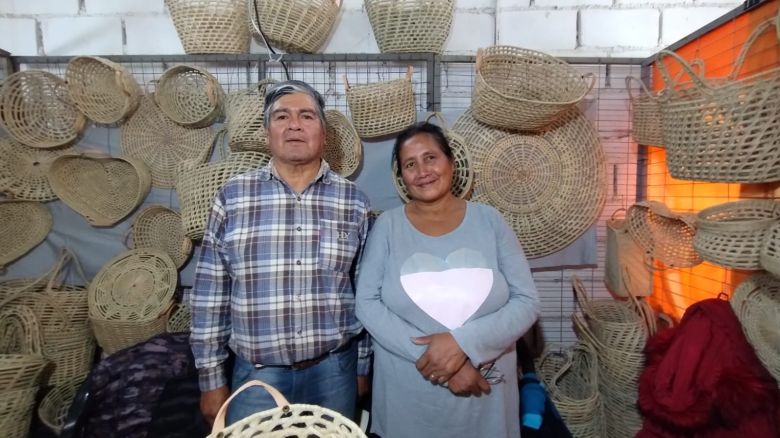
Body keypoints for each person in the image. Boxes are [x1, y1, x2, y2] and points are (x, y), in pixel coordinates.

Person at [190, 80, 372, 426]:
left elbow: (362, 292)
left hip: (334, 371)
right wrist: (211, 379)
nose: (294, 125)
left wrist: (361, 366)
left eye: (307, 116)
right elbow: (210, 295)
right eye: (281, 116)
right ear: (266, 133)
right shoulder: (233, 197)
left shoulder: (354, 202)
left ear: (324, 134)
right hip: (257, 377)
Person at [355, 122, 540, 437]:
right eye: (410, 164)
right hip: (409, 395)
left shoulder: (490, 221)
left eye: (431, 158)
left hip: (485, 394)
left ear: (451, 163)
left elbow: (527, 302)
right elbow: (366, 304)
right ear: (401, 177)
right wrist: (444, 362)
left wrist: (463, 344)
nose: (422, 170)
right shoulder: (387, 226)